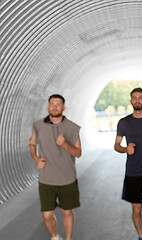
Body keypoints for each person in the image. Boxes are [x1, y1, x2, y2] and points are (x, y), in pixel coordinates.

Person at [29, 94, 81, 240]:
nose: (55, 107)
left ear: (63, 108)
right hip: (46, 179)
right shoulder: (38, 126)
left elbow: (78, 153)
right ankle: (55, 237)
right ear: (48, 106)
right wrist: (36, 158)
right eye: (52, 104)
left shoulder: (72, 128)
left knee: (67, 212)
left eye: (58, 104)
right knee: (47, 215)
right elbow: (32, 143)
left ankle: (69, 238)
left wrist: (64, 144)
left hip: (67, 179)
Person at [114, 87, 142, 240]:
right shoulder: (124, 123)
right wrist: (125, 149)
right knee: (137, 209)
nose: (137, 100)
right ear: (131, 101)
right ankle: (141, 236)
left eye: (140, 97)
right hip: (132, 172)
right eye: (134, 97)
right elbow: (116, 145)